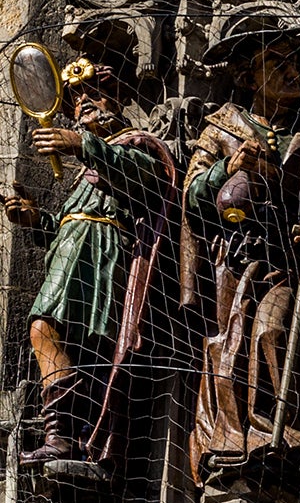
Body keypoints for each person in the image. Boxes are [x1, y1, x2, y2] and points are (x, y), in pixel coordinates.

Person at [1, 59, 176, 470]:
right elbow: (70, 226)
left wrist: (82, 146)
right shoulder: (85, 172)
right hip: (74, 255)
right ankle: (66, 436)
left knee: (53, 332)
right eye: (76, 99)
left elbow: (145, 177)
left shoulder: (135, 144)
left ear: (115, 97)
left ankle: (66, 435)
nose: (83, 104)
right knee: (62, 340)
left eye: (91, 94)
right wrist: (36, 219)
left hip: (103, 259)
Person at [186, 14, 300, 478]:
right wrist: (225, 167)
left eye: (295, 62)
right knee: (230, 344)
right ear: (249, 77)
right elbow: (191, 196)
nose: (293, 72)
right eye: (277, 62)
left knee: (272, 330)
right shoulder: (221, 129)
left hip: (284, 259)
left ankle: (277, 426)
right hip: (233, 259)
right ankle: (234, 434)